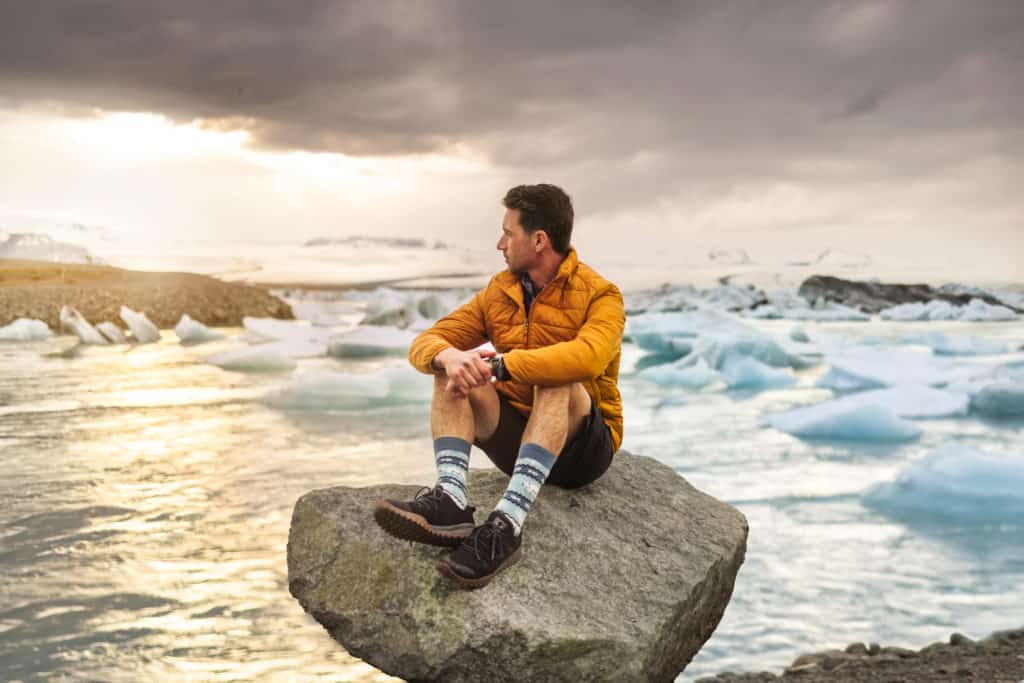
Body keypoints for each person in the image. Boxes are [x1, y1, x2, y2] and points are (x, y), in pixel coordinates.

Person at [373, 183, 625, 588]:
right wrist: (448, 357)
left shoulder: (601, 296)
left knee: (555, 379)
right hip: (520, 442)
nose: (500, 244)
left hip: (582, 450)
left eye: (508, 233)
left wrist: (505, 366)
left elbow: (588, 357)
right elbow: (429, 341)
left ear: (539, 240)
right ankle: (451, 500)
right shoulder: (500, 291)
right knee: (452, 369)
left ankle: (507, 525)